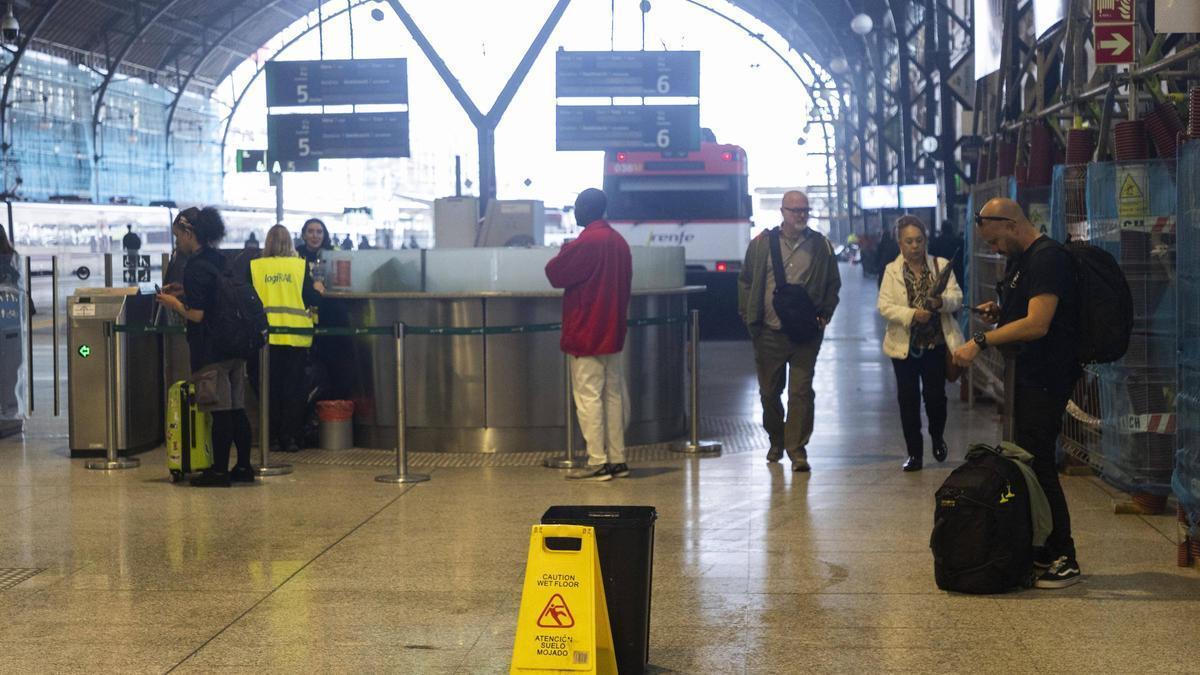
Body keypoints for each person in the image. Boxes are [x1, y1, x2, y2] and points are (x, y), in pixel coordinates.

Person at [952, 197, 1082, 589]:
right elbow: (1023, 310)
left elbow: (1038, 324)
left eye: (995, 241)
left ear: (1011, 224)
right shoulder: (1022, 259)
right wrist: (1000, 312)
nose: (994, 249)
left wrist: (981, 339)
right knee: (1027, 459)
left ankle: (1065, 555)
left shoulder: (1048, 259)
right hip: (1026, 374)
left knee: (1040, 461)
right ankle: (1044, 545)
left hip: (1047, 375)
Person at [737, 190, 841, 472]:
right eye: (795, 210)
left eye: (805, 210)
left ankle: (797, 450)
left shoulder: (820, 246)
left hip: (806, 334)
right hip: (769, 332)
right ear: (782, 212)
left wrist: (825, 315)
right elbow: (746, 280)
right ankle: (776, 439)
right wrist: (749, 316)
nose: (801, 215)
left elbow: (833, 282)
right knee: (769, 393)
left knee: (801, 392)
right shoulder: (761, 244)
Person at [156, 207, 255, 487]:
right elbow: (217, 294)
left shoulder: (195, 266)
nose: (177, 242)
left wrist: (174, 302)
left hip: (212, 348)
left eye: (178, 236)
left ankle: (219, 472)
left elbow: (197, 314)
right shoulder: (220, 259)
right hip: (235, 344)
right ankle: (244, 467)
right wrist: (185, 291)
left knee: (220, 410)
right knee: (236, 408)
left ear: (189, 234)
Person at [545, 188, 632, 482]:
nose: (576, 211)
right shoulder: (619, 242)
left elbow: (555, 273)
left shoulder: (587, 242)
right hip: (613, 332)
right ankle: (618, 459)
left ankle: (597, 461)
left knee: (588, 397)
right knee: (613, 395)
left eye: (579, 206)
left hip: (587, 331)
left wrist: (565, 248)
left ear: (588, 208)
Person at [878, 215, 963, 471]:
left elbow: (957, 297)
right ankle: (914, 453)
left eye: (918, 240)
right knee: (908, 400)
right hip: (903, 348)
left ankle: (937, 436)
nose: (914, 246)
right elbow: (884, 306)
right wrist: (912, 315)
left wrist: (941, 303)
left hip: (935, 346)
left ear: (926, 240)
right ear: (900, 244)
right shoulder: (891, 271)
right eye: (908, 241)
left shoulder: (941, 265)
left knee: (935, 397)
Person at [250, 225, 324, 453]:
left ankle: (270, 437)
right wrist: (318, 289)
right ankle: (289, 438)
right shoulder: (298, 266)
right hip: (295, 338)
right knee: (294, 391)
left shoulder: (255, 267)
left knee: (268, 390)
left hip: (265, 340)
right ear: (290, 243)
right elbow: (312, 298)